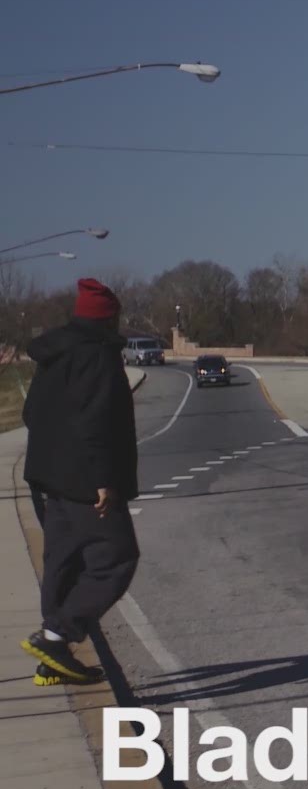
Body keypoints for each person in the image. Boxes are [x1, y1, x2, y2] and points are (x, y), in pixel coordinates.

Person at [20, 278, 140, 686]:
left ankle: (50, 660)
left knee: (64, 560)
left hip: (50, 477)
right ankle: (58, 637)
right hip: (87, 480)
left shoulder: (56, 355)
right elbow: (96, 422)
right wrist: (103, 480)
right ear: (108, 317)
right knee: (118, 556)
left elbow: (30, 413)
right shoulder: (98, 357)